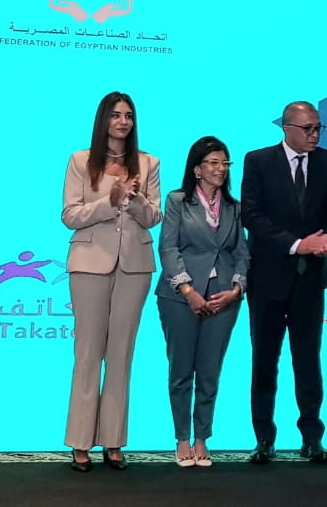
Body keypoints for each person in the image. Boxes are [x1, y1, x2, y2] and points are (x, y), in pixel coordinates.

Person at [62, 91, 161, 472]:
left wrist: (132, 200)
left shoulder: (148, 163)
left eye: (128, 116)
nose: (123, 122)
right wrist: (110, 200)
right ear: (103, 119)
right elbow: (70, 215)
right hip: (89, 262)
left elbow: (153, 217)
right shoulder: (80, 161)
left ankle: (114, 441)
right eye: (116, 115)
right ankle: (80, 441)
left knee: (121, 354)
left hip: (135, 266)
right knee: (88, 353)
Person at [240, 101, 327, 465]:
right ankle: (264, 439)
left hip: (310, 279)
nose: (315, 135)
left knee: (308, 360)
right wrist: (298, 244)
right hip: (268, 276)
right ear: (287, 129)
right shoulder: (258, 161)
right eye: (308, 129)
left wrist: (324, 238)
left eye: (318, 128)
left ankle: (312, 438)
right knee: (264, 360)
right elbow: (251, 215)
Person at [155, 136, 250, 468]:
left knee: (210, 371)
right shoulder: (177, 201)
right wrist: (188, 291)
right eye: (213, 163)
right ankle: (182, 438)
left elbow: (242, 252)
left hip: (223, 298)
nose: (220, 169)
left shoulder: (234, 207)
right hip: (179, 298)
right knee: (181, 370)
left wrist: (236, 289)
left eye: (225, 163)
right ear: (197, 169)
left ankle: (201, 438)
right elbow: (168, 248)